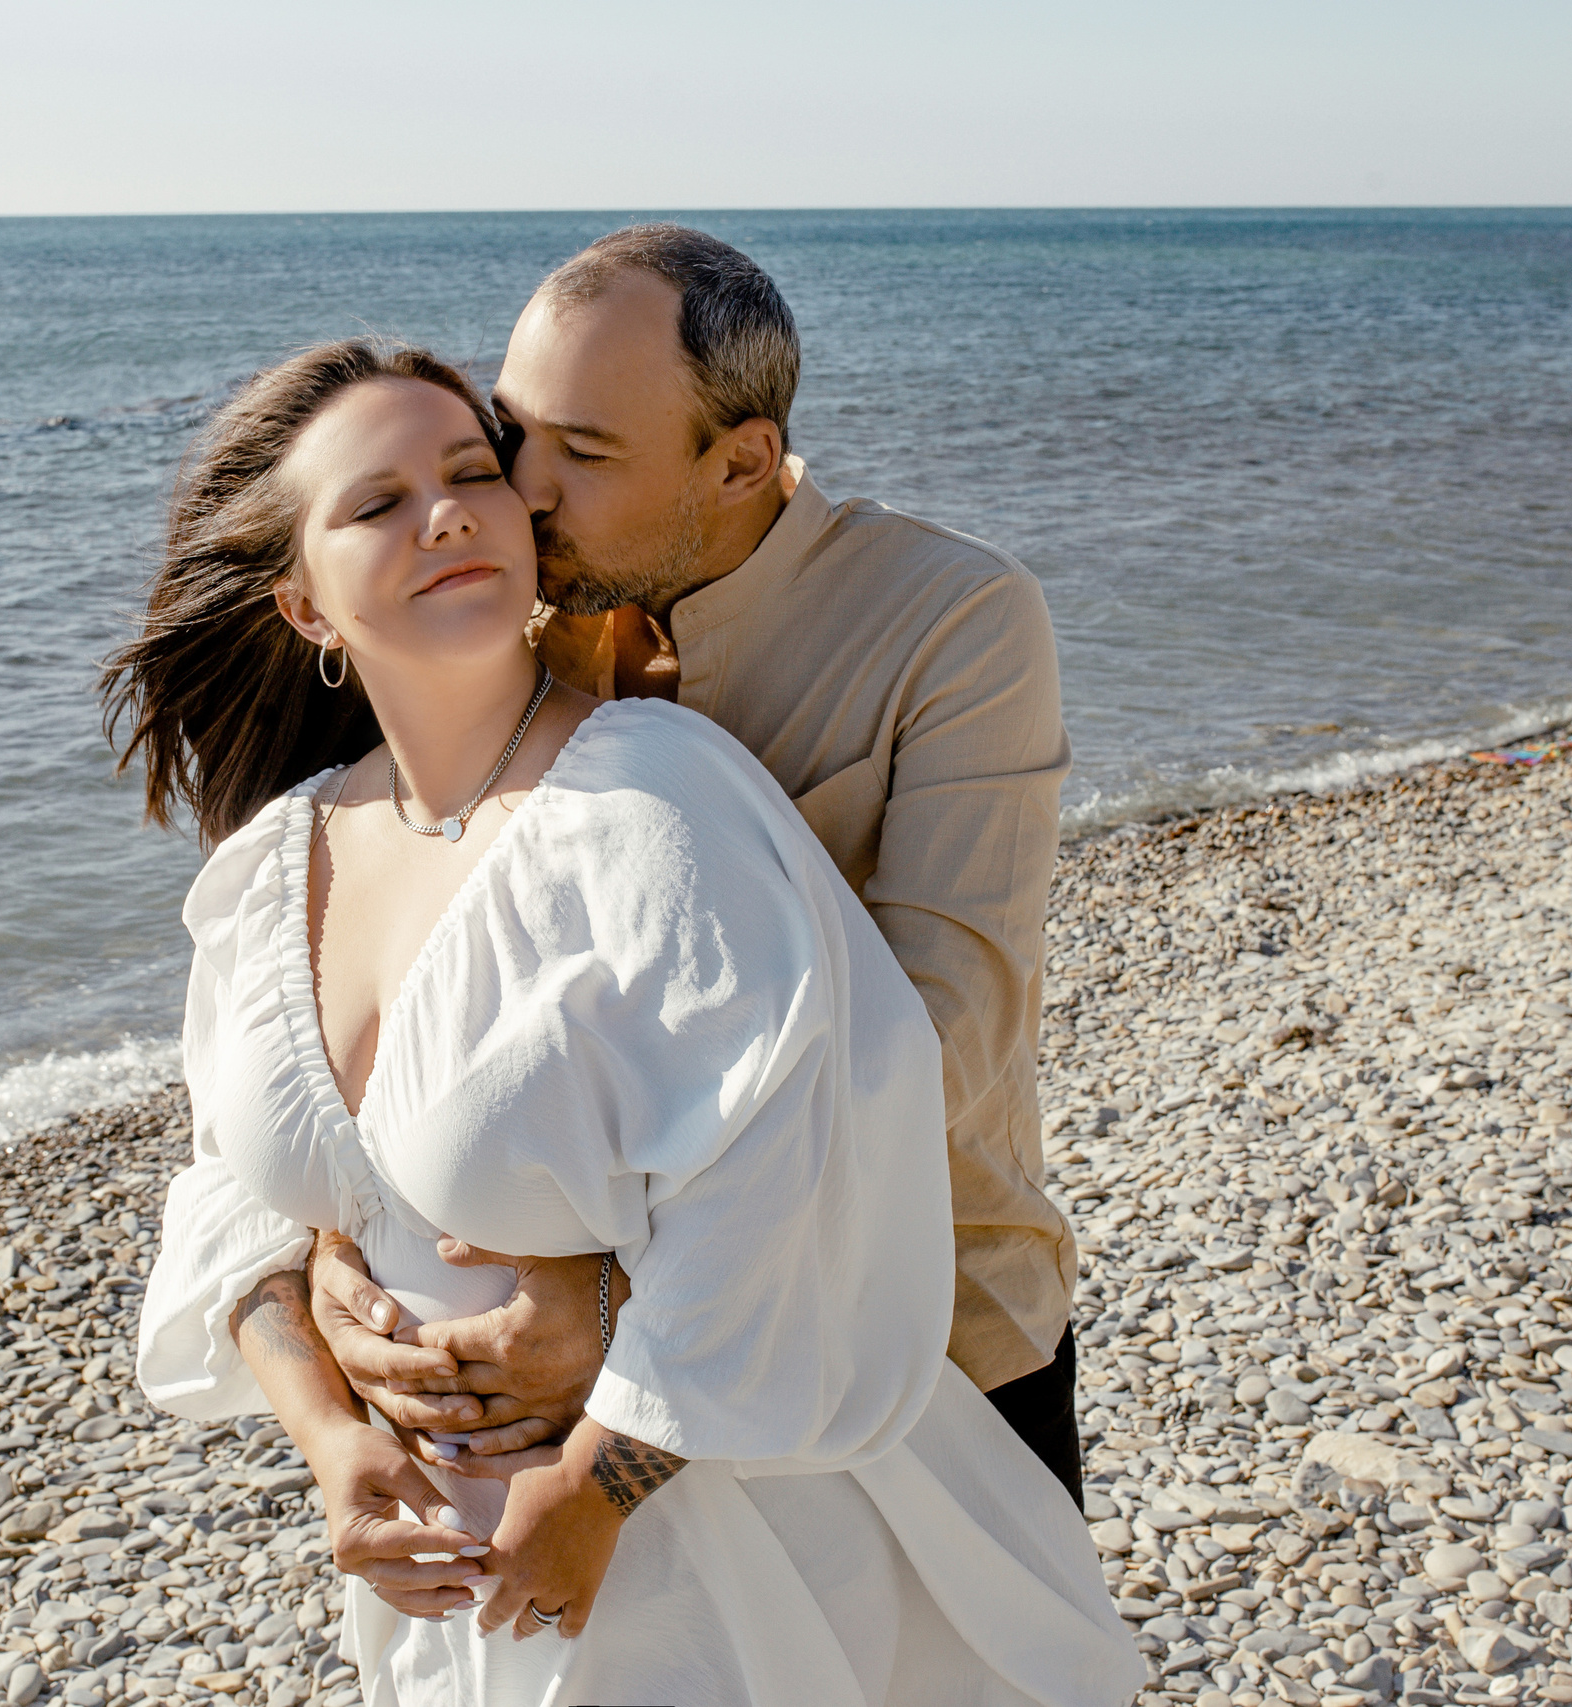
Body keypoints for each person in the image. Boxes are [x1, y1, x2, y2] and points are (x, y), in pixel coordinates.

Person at [113, 341, 1135, 1705]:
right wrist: (329, 1435)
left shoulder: (652, 798)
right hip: (443, 1585)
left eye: (475, 472)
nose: (452, 510)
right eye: (379, 503)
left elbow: (801, 1134)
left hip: (716, 1562)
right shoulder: (274, 864)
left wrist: (603, 1479)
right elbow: (228, 1184)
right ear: (302, 605)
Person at [306, 225, 1088, 1527]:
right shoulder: (508, 617)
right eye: (514, 436)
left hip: (939, 1336)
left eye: (588, 453)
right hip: (568, 1378)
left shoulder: (959, 622)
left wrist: (614, 1288)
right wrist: (338, 1236)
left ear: (742, 462)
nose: (527, 492)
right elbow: (386, 955)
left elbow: (943, 1040)